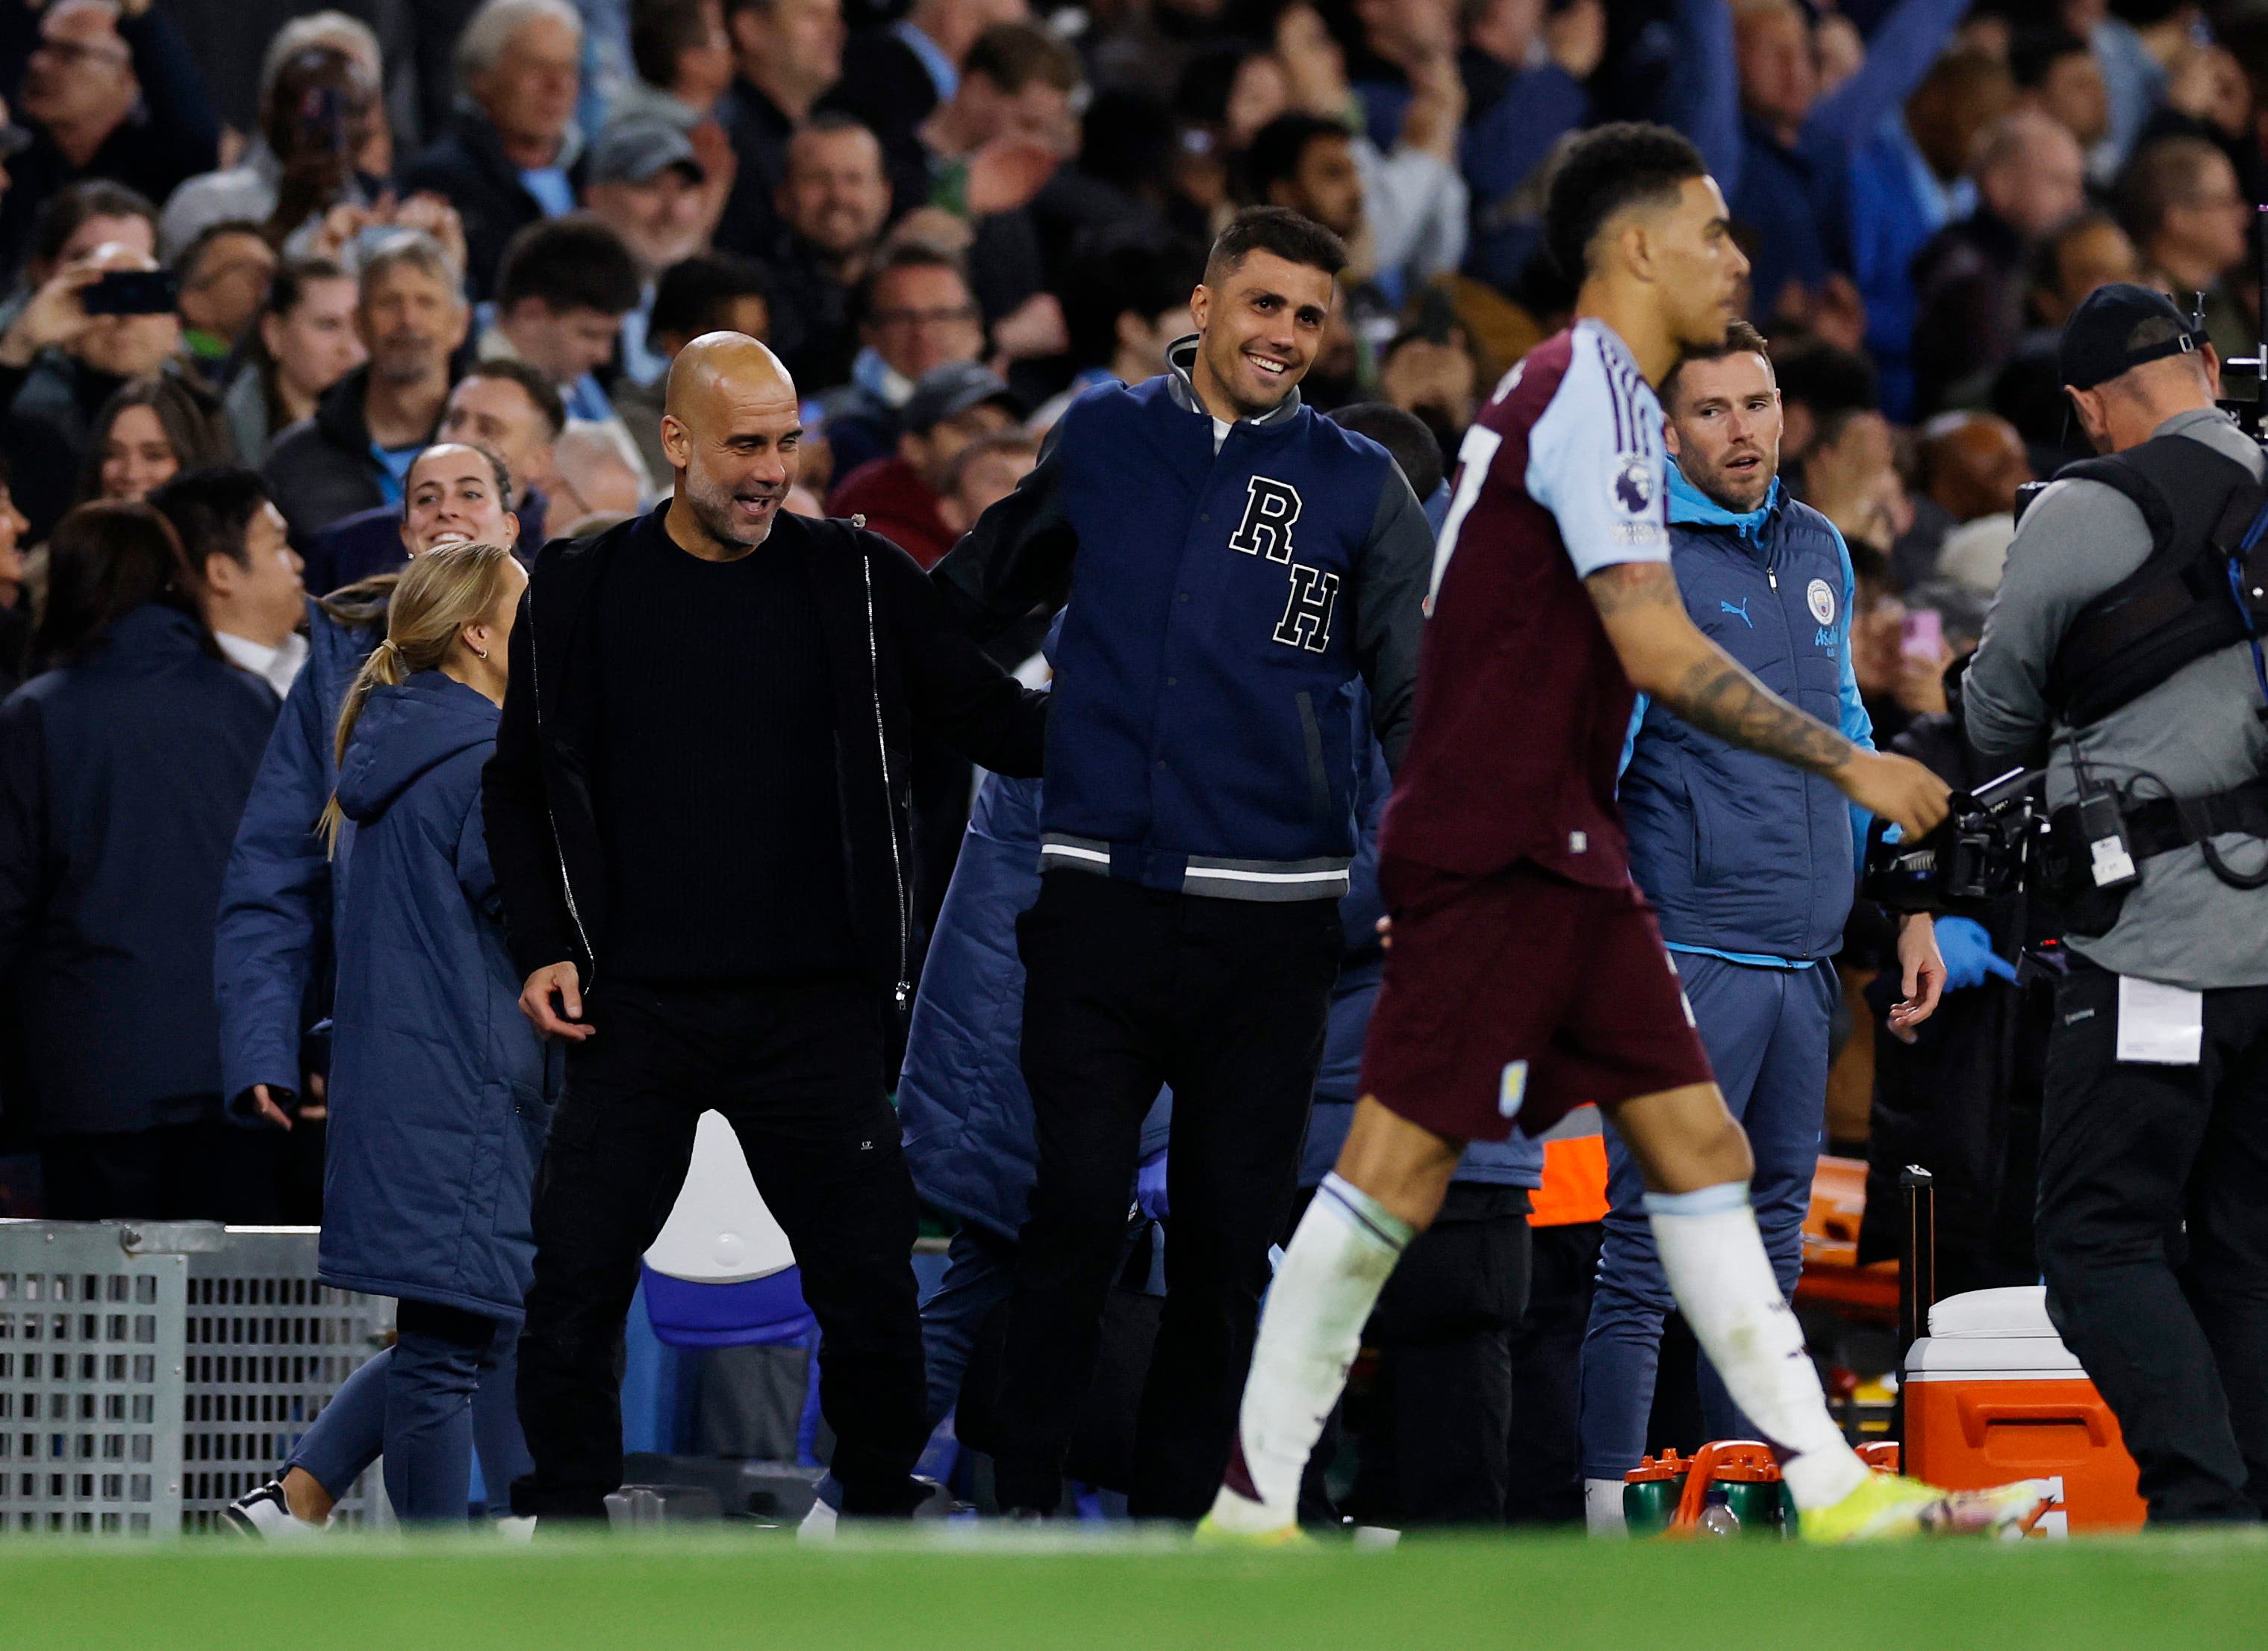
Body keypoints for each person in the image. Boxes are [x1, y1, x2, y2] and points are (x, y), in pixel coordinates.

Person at [1199, 122, 2043, 1546]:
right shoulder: (1583, 395)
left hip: (1543, 855)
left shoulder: (1581, 394)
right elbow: (1649, 647)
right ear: (1636, 246)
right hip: (1507, 854)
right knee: (1404, 1184)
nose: (1735, 253)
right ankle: (1257, 1499)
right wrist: (1858, 763)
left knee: (1682, 1177)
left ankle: (1816, 1496)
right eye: (1712, 230)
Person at [480, 330, 1048, 1525]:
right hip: (630, 1011)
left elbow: (999, 721)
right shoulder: (578, 588)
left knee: (870, 1289)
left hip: (818, 1012)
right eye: (745, 444)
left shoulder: (858, 576)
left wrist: (1162, 699)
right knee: (575, 1280)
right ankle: (566, 1522)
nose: (770, 470)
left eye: (788, 443)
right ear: (674, 442)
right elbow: (517, 783)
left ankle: (876, 1509)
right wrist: (541, 937)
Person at [930, 205, 1436, 1522]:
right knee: (1074, 1209)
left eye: (1309, 317)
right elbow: (970, 602)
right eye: (1262, 304)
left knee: (1221, 1251)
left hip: (1270, 931)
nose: (1283, 335)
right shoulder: (1102, 435)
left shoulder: (1362, 489)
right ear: (1203, 305)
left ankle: (1168, 1535)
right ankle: (1021, 1508)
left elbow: (1417, 707)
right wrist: (1023, 736)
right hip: (1097, 900)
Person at [1578, 320, 1945, 1530]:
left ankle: (1730, 1510)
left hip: (1798, 967)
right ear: (1664, 432)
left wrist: (1901, 903)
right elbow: (1585, 772)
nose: (1743, 432)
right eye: (1712, 411)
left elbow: (1850, 736)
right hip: (1683, 957)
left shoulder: (1819, 547)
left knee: (1768, 1256)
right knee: (1644, 1257)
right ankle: (1602, 1523)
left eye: (1759, 403)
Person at [1963, 282, 2268, 1525]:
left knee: (2094, 1247)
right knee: (2245, 1255)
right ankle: (2247, 1523)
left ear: (2088, 403)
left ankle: (2204, 1510)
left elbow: (1992, 717)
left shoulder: (2089, 505)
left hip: (2157, 943)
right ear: (2200, 362)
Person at [225, 541, 543, 1535]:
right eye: (524, 608)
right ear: (481, 635)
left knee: (465, 1323)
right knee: (453, 1342)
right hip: (466, 1081)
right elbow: (532, 917)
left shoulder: (400, 745)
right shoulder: (486, 760)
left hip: (407, 1077)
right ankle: (428, 1592)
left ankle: (294, 1503)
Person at [214, 441, 522, 1142]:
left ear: (510, 526)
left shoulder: (566, 649)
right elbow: (273, 872)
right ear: (408, 533)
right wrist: (265, 1041)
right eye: (426, 497)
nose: (447, 507)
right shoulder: (336, 667)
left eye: (471, 492)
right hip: (384, 1043)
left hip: (529, 1036)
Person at [0, 500, 278, 1221]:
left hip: (91, 1082)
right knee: (230, 1325)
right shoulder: (250, 702)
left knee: (104, 1324)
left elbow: (8, 902)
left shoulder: (37, 715)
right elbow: (298, 884)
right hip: (237, 1075)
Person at [263, 231, 469, 544]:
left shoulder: (493, 445)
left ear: (459, 324)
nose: (408, 320)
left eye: (427, 303)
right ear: (359, 323)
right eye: (389, 303)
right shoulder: (294, 459)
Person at [0, 0, 220, 283]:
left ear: (127, 77)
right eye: (42, 46)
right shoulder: (19, 157)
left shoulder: (156, 163)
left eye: (68, 54)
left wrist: (143, 17)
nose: (38, 64)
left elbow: (197, 136)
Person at [307, 360, 558, 593]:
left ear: (537, 461)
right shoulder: (345, 549)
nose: (462, 438)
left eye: (488, 429)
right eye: (454, 420)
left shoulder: (554, 581)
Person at [4, 237, 191, 539]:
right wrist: (20, 343)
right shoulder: (33, 422)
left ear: (175, 329)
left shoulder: (206, 413)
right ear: (71, 334)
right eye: (107, 296)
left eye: (144, 296)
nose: (125, 316)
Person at [402, 0, 587, 299]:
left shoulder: (591, 172)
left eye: (568, 67)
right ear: (482, 78)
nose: (558, 85)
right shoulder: (441, 181)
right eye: (536, 66)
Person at [157, 43, 384, 263]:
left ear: (371, 125)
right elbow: (206, 294)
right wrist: (284, 220)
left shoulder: (379, 216)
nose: (334, 126)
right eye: (314, 109)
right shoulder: (206, 202)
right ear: (269, 116)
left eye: (351, 110)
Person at [818, 243, 987, 478]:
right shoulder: (832, 429)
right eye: (903, 318)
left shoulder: (1021, 425)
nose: (923, 332)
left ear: (975, 327)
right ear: (869, 333)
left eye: (941, 315)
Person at [828, 359, 1015, 570]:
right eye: (970, 429)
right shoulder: (881, 549)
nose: (992, 443)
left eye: (1006, 430)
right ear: (914, 448)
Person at [611, 251, 770, 485]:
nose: (757, 358)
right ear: (675, 344)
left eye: (761, 339)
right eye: (733, 342)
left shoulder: (777, 419)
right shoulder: (636, 427)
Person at [761, 115, 893, 395]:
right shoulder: (754, 296)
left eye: (854, 179)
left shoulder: (911, 286)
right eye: (818, 180)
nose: (838, 196)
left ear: (885, 196)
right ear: (783, 196)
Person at [152, 467, 308, 701]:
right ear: (221, 573)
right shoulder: (197, 701)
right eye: (279, 545)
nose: (299, 563)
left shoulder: (324, 662)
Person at [714, 0, 844, 258]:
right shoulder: (726, 139)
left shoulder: (789, 138)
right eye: (813, 16)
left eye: (836, 17)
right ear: (751, 29)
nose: (836, 30)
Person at [220, 257, 366, 475]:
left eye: (359, 327)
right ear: (274, 333)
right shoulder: (226, 432)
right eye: (328, 326)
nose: (351, 348)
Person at [76, 373, 232, 506]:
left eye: (154, 456)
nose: (131, 474)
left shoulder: (239, 541)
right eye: (113, 454)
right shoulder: (64, 540)